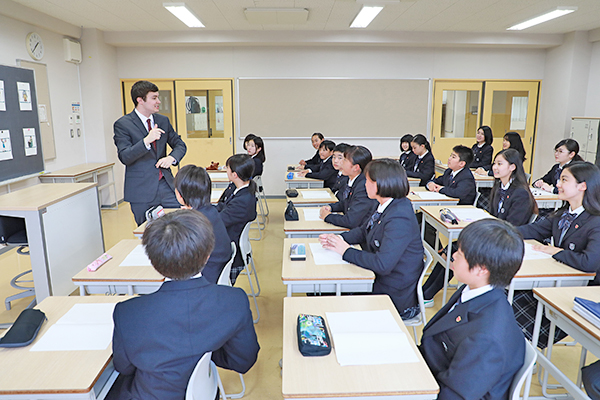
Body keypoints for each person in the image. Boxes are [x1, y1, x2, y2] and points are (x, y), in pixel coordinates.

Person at [108, 210, 259, 400]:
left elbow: (124, 367)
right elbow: (243, 361)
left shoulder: (128, 312)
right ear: (207, 256)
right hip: (207, 392)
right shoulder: (234, 301)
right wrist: (203, 350)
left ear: (154, 264)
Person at [419, 219, 525, 400]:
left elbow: (455, 395)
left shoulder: (486, 337)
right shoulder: (474, 289)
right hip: (431, 372)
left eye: (459, 253)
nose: (453, 256)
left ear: (481, 269)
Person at [319, 159, 423, 318]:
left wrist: (345, 250)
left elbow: (382, 264)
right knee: (321, 290)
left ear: (381, 184)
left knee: (324, 294)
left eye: (368, 181)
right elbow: (363, 231)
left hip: (393, 295)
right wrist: (338, 239)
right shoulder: (384, 203)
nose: (365, 184)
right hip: (379, 279)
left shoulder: (400, 216)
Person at [515, 161, 600, 348]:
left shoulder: (596, 221)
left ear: (582, 185)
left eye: (564, 179)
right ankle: (520, 347)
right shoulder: (563, 213)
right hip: (562, 278)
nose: (558, 184)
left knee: (518, 300)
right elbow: (533, 230)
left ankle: (527, 348)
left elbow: (589, 263)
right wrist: (497, 230)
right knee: (507, 294)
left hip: (585, 290)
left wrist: (558, 252)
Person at [113, 80, 187, 226]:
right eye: (154, 98)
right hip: (141, 190)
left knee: (179, 226)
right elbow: (125, 156)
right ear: (140, 100)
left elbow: (179, 144)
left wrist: (171, 158)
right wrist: (146, 141)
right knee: (147, 232)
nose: (158, 101)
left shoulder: (163, 120)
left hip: (166, 185)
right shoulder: (123, 124)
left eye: (158, 97)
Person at [173, 165, 232, 284]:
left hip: (205, 277)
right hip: (215, 271)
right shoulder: (211, 211)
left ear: (180, 195)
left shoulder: (194, 224)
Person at [216, 154, 258, 283]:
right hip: (230, 236)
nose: (226, 169)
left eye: (228, 168)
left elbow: (218, 221)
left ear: (235, 174)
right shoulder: (236, 187)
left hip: (231, 248)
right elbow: (221, 205)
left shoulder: (243, 201)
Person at [319, 145, 378, 229]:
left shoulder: (364, 187)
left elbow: (351, 221)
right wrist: (331, 207)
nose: (341, 162)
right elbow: (346, 203)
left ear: (356, 167)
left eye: (345, 160)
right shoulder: (352, 180)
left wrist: (328, 217)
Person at [489, 149, 537, 226]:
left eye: (499, 164)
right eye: (494, 164)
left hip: (509, 234)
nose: (494, 167)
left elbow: (513, 224)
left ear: (512, 167)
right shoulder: (499, 186)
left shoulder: (520, 193)